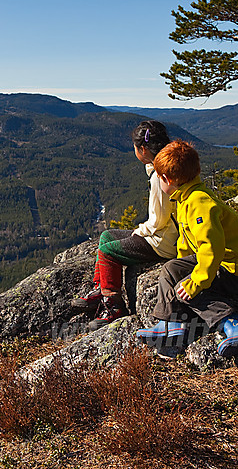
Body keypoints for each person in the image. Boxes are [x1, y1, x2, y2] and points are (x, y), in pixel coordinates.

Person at [136, 139, 238, 358]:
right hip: (218, 260)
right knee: (171, 269)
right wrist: (183, 265)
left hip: (233, 267)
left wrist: (196, 282)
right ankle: (169, 324)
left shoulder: (199, 202)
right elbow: (187, 240)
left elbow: (212, 247)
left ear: (166, 179)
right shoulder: (185, 197)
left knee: (186, 291)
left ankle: (233, 325)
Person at [72, 120, 179, 329]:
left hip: (163, 242)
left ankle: (113, 305)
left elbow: (158, 221)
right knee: (107, 236)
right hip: (166, 234)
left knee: (107, 250)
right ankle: (100, 287)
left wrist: (138, 232)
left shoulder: (160, 176)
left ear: (143, 149)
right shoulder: (166, 165)